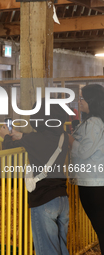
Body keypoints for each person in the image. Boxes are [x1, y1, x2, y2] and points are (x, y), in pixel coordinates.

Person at [0, 99, 69, 255]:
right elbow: (42, 140)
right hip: (62, 199)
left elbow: (9, 145)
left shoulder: (33, 140)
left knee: (47, 250)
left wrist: (5, 136)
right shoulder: (63, 137)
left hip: (44, 200)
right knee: (61, 248)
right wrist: (20, 135)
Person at [68, 84, 104, 254]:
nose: (79, 101)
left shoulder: (94, 123)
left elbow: (83, 151)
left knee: (100, 226)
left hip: (93, 182)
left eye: (83, 98)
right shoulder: (95, 121)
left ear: (93, 100)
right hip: (94, 180)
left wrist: (70, 140)